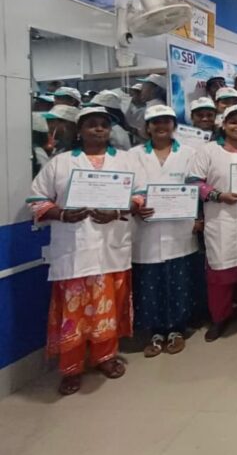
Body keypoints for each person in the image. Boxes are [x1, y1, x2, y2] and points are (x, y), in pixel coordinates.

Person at [27, 106, 145, 395]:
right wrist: (62, 214)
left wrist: (118, 211)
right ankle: (71, 367)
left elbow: (141, 195)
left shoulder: (126, 160)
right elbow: (36, 199)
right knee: (74, 312)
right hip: (75, 248)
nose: (98, 129)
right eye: (91, 124)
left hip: (111, 245)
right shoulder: (61, 163)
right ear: (79, 130)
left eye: (103, 124)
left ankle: (106, 357)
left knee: (108, 305)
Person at [187, 104, 237, 342]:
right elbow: (193, 182)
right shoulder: (208, 150)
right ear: (223, 124)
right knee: (220, 273)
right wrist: (218, 195)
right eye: (234, 122)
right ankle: (220, 317)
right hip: (221, 218)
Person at [129, 105, 201, 357]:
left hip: (180, 227)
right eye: (156, 122)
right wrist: (135, 206)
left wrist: (198, 216)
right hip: (146, 229)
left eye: (166, 122)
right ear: (147, 127)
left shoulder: (189, 153)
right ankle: (155, 333)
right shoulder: (133, 155)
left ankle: (177, 330)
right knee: (149, 281)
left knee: (179, 279)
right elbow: (127, 188)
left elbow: (196, 186)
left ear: (174, 126)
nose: (161, 127)